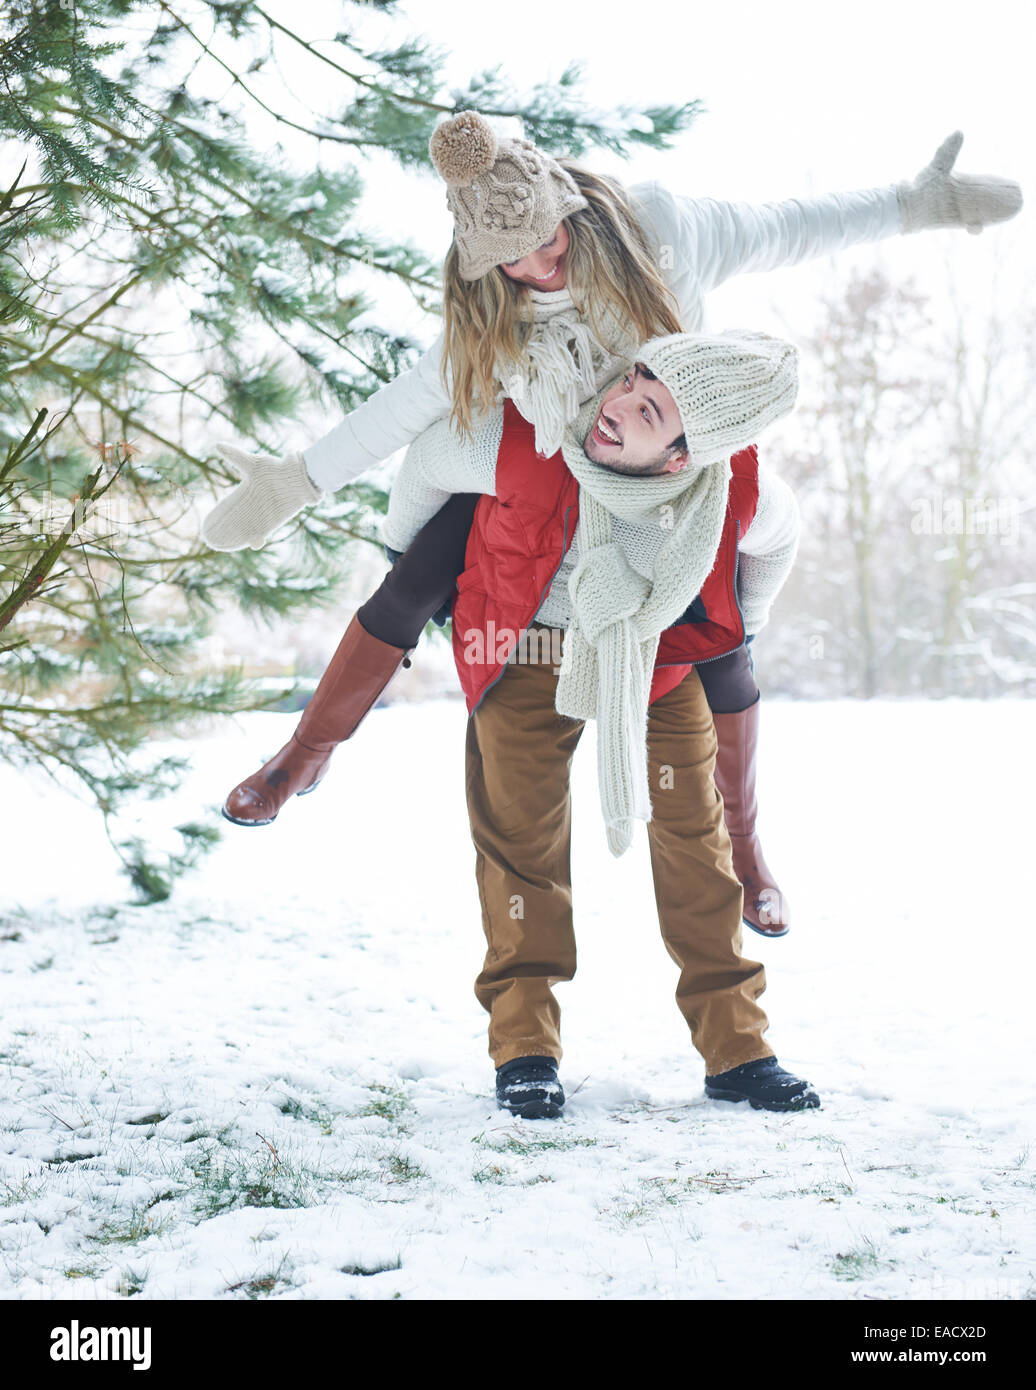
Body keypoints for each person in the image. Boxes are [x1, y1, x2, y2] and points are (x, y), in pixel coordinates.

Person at [201, 114, 1022, 938]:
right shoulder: (490, 306)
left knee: (725, 640)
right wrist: (297, 480)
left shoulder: (661, 228)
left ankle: (748, 848)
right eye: (506, 258)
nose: (532, 265)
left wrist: (913, 207)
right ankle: (304, 755)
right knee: (418, 569)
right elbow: (405, 408)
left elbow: (789, 228)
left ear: (564, 197)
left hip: (670, 467)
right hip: (557, 459)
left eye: (540, 237)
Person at [384, 326, 812, 1117]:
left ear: (684, 458)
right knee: (520, 851)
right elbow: (426, 462)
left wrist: (738, 625)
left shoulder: (737, 491)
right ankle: (525, 1051)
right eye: (633, 381)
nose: (618, 405)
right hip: (526, 651)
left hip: (652, 662)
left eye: (649, 410)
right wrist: (405, 561)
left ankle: (738, 1052)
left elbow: (780, 543)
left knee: (697, 850)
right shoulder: (538, 436)